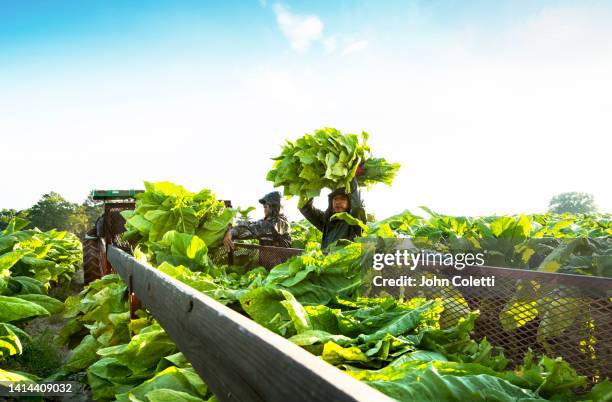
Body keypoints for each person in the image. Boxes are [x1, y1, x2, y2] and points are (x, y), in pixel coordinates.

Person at [299, 177, 366, 249]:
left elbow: (358, 206)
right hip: (327, 259)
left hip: (347, 259)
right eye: (335, 199)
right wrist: (312, 182)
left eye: (343, 199)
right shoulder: (327, 220)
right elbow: (305, 208)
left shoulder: (354, 220)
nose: (338, 202)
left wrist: (352, 176)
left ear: (350, 202)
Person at [223, 191, 291, 251]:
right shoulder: (267, 221)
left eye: (265, 207)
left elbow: (255, 228)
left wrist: (232, 231)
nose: (264, 210)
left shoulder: (280, 223)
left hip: (281, 263)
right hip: (268, 262)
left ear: (275, 207)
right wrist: (231, 230)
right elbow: (253, 224)